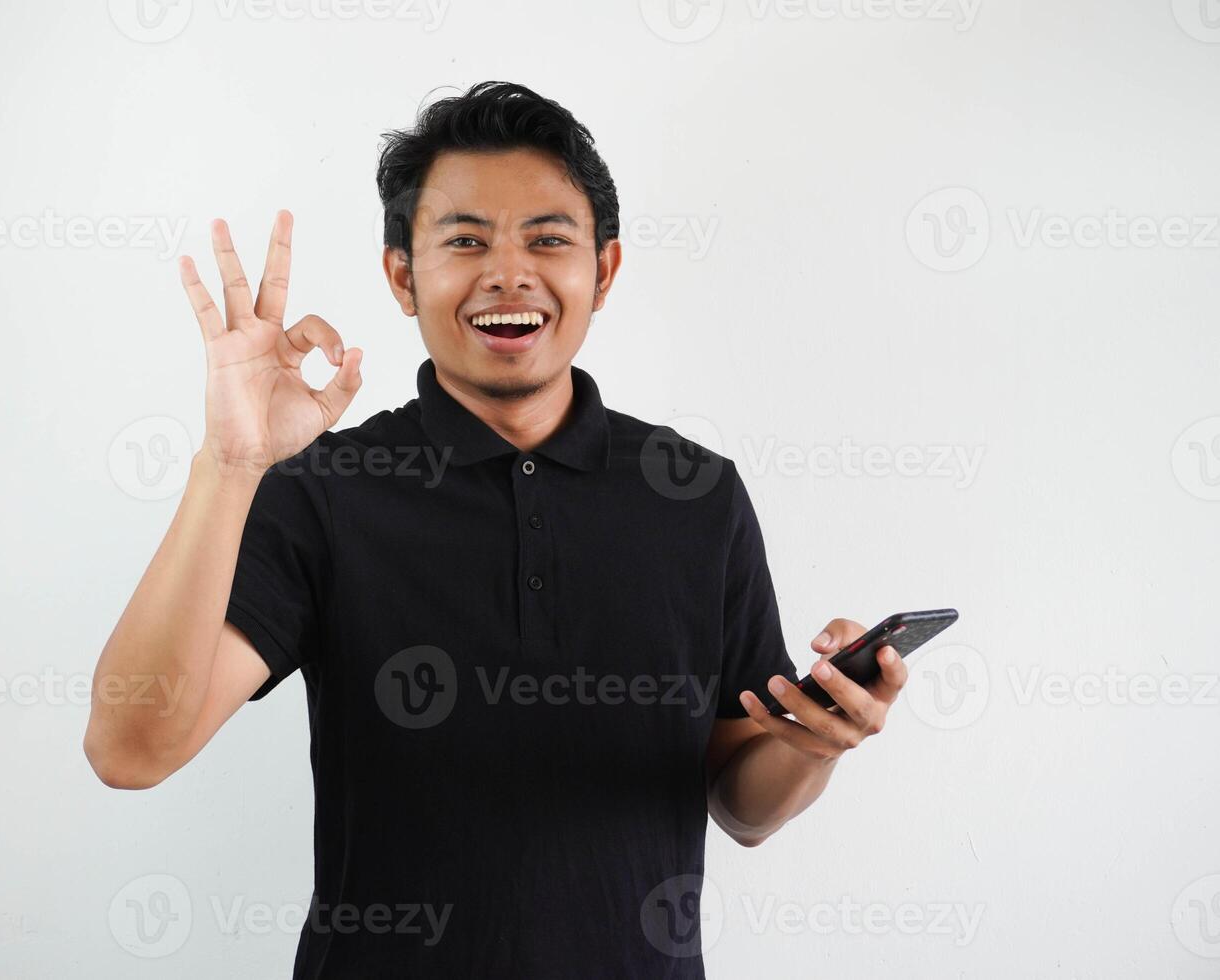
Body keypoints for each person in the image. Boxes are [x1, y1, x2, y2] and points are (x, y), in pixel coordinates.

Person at [83, 80, 908, 979]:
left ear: (605, 271)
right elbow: (131, 751)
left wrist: (809, 743)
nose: (508, 274)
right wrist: (230, 463)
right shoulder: (325, 493)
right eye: (465, 240)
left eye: (548, 240)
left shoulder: (696, 496)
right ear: (403, 275)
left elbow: (740, 806)